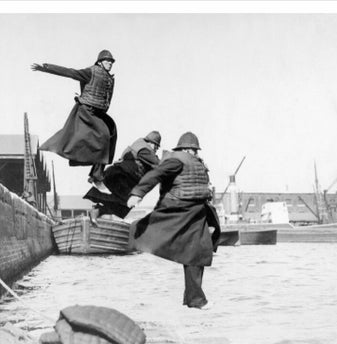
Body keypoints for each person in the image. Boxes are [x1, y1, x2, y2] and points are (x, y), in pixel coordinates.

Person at [127, 132, 221, 309]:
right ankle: (124, 239)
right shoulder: (176, 160)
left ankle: (194, 300)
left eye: (196, 150)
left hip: (197, 211)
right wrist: (137, 193)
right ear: (185, 149)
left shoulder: (197, 163)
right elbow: (156, 174)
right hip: (177, 209)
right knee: (141, 231)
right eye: (193, 150)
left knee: (198, 253)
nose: (195, 153)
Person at [31, 50, 116, 186]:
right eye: (107, 61)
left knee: (112, 132)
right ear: (100, 62)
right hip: (87, 111)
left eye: (111, 62)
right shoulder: (91, 72)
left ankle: (96, 173)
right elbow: (70, 72)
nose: (110, 64)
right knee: (104, 136)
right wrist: (47, 67)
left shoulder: (109, 78)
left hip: (99, 112)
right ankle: (97, 176)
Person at [83, 131, 162, 224]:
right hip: (121, 177)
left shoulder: (138, 145)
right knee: (125, 203)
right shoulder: (145, 150)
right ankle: (97, 211)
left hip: (117, 175)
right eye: (156, 146)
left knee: (120, 205)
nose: (156, 149)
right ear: (151, 143)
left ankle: (97, 211)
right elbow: (160, 165)